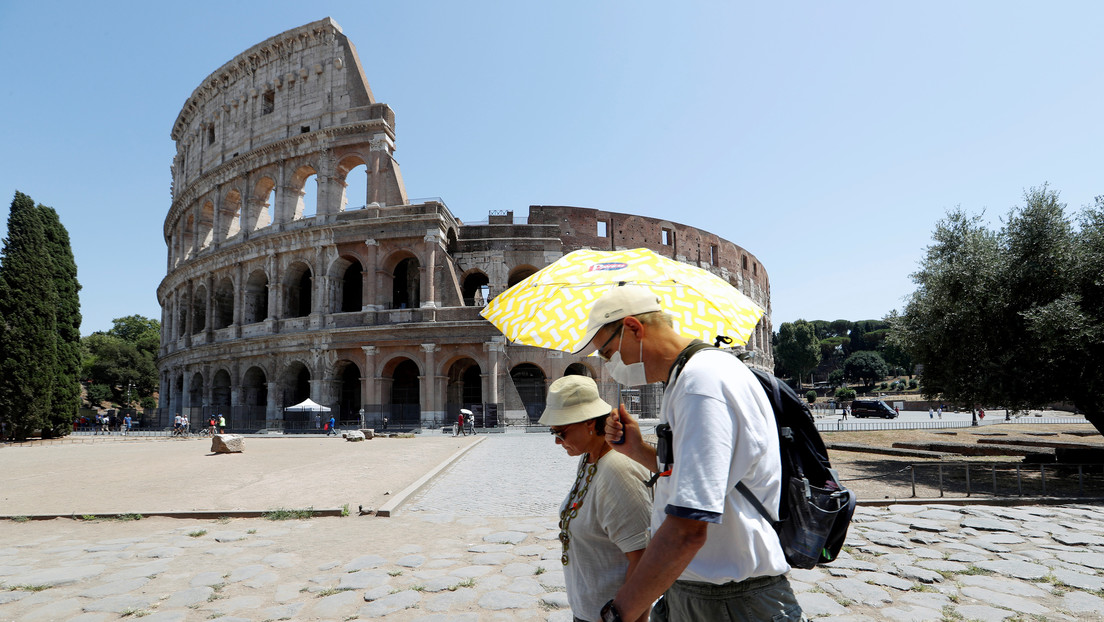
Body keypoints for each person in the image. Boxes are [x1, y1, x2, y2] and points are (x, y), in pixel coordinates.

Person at [573, 285, 802, 622]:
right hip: (700, 591)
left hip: (731, 603)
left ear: (634, 329)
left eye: (608, 354)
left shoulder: (701, 384)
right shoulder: (689, 378)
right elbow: (702, 480)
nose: (610, 367)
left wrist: (619, 613)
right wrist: (637, 450)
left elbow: (688, 529)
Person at [540, 375, 652, 622]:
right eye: (553, 432)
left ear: (589, 423)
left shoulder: (618, 470)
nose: (557, 441)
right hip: (589, 611)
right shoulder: (590, 457)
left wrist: (623, 616)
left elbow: (643, 560)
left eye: (561, 432)